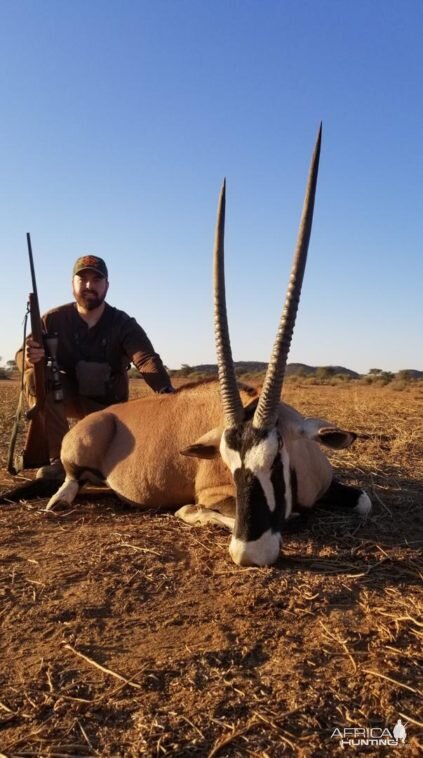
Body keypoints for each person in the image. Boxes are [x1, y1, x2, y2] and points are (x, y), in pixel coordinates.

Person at [16, 254, 174, 481]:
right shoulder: (52, 319)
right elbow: (21, 354)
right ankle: (59, 461)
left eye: (97, 280)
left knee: (113, 465)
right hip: (67, 395)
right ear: (72, 284)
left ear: (106, 286)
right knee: (35, 376)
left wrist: (165, 392)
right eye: (82, 279)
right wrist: (30, 357)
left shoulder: (123, 323)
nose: (89, 286)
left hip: (109, 405)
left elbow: (146, 359)